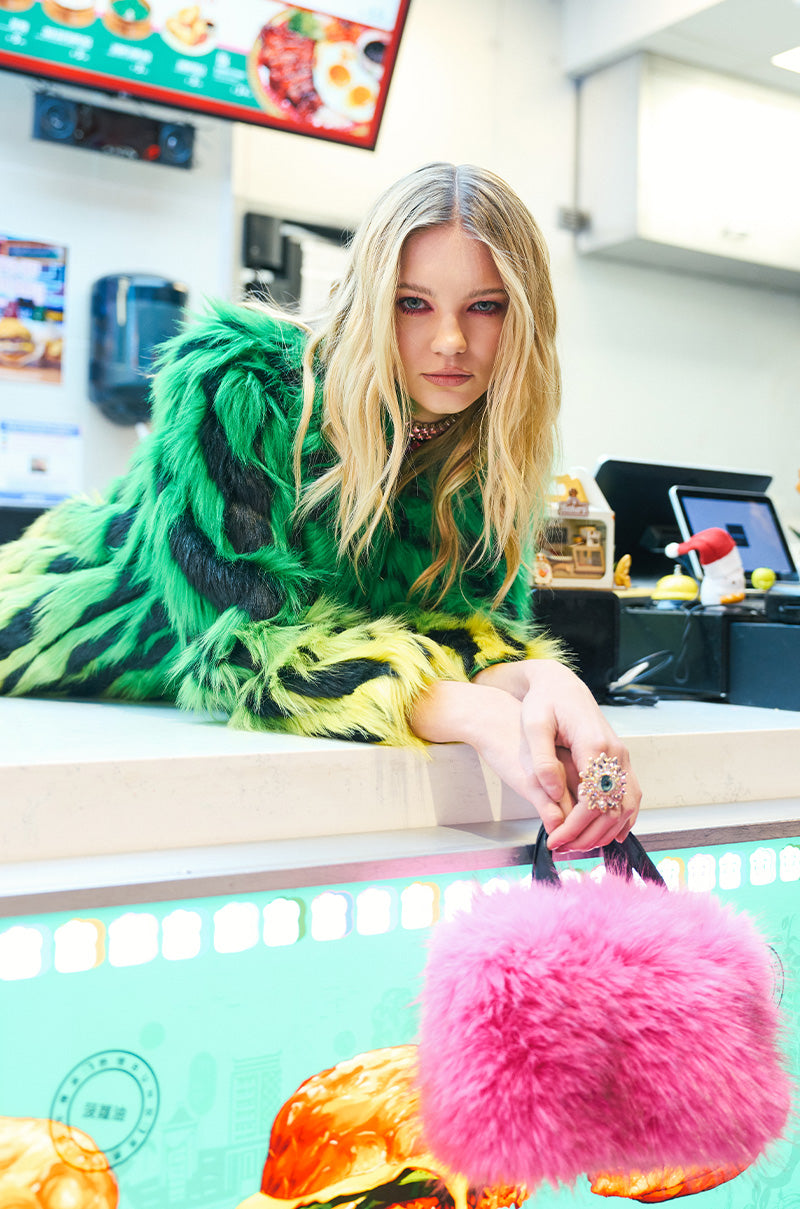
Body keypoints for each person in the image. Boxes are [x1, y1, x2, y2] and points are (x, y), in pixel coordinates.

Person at [0, 162, 640, 851]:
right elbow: (237, 655)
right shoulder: (240, 387)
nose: (451, 340)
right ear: (368, 300)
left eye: (484, 306)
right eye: (412, 302)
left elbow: (465, 634)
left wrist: (551, 682)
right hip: (39, 626)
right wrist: (476, 713)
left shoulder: (494, 453)